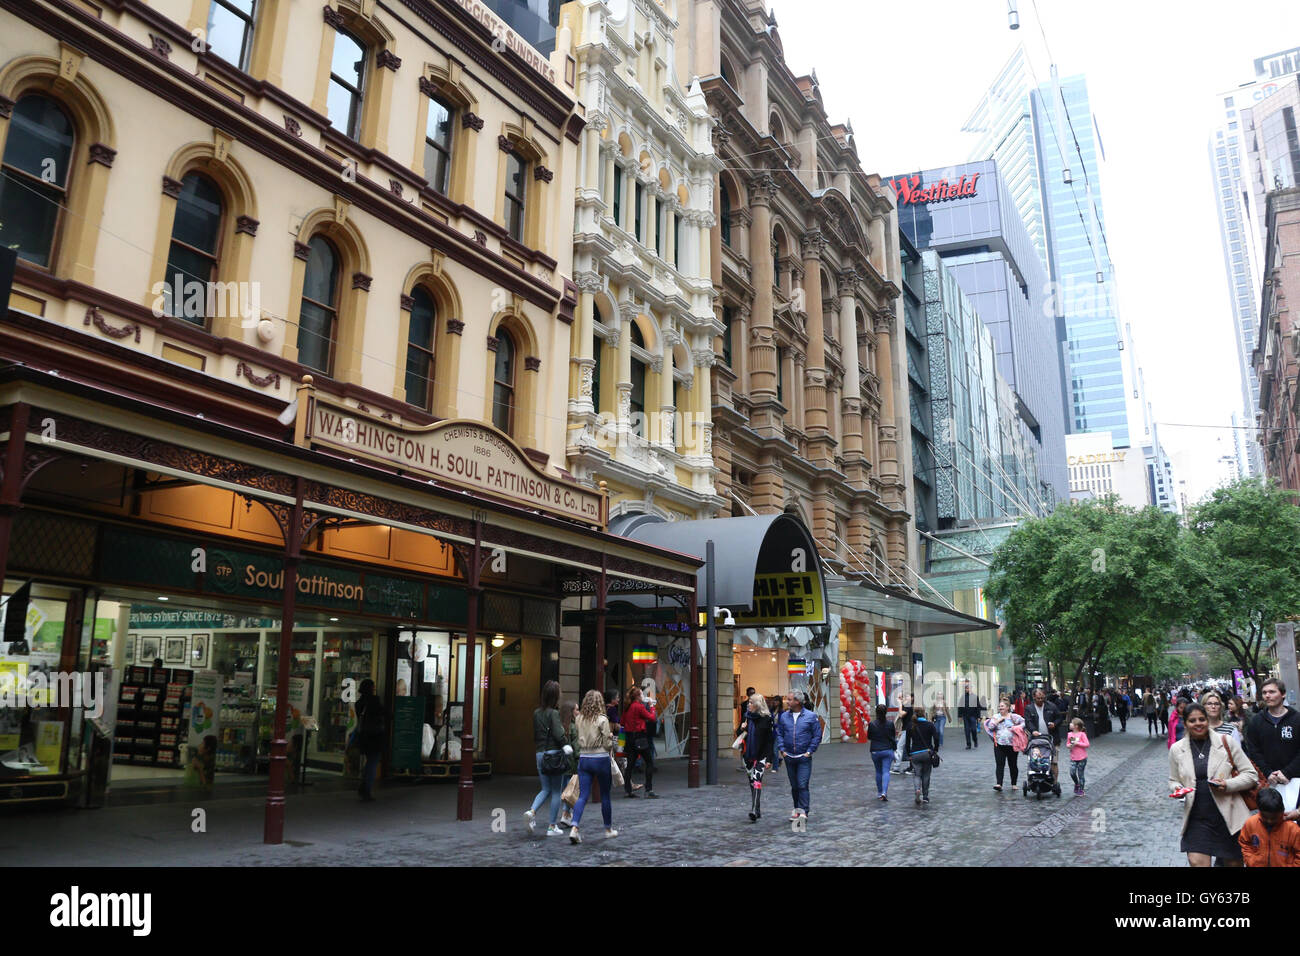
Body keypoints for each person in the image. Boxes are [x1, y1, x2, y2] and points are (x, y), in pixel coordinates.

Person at [1169, 703, 1257, 867]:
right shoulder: (1176, 749)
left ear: (1207, 720)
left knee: (1233, 863)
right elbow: (1173, 780)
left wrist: (1228, 784)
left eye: (1201, 719)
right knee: (1196, 862)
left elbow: (1251, 775)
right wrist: (1177, 789)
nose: (1198, 723)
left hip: (1229, 815)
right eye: (1192, 720)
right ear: (1185, 723)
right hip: (1197, 816)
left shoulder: (1226, 742)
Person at [568, 689, 618, 844]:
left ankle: (574, 827)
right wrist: (611, 738)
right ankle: (608, 829)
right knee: (605, 795)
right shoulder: (602, 719)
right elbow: (607, 744)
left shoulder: (579, 719)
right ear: (600, 703)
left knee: (582, 795)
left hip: (584, 758)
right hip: (600, 758)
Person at [525, 680, 570, 836]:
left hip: (540, 753)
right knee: (556, 791)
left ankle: (531, 811)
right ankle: (552, 827)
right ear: (556, 696)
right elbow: (558, 734)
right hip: (554, 755)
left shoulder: (536, 713)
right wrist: (566, 745)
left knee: (545, 788)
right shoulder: (554, 713)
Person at [1243, 678, 1300, 790]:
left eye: (1272, 692)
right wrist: (1267, 772)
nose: (1267, 696)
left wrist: (1287, 772)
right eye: (1264, 693)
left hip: (1296, 780)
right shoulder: (1256, 721)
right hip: (1268, 782)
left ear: (1283, 694)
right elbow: (1254, 751)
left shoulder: (1297, 719)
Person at [776, 689, 821, 821]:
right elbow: (780, 734)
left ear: (797, 701)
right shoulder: (784, 716)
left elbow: (817, 735)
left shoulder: (810, 716)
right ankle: (797, 809)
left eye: (789, 699)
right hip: (789, 756)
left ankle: (803, 811)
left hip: (803, 757)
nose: (787, 702)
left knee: (802, 784)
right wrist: (782, 750)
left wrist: (809, 751)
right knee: (794, 786)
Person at [1238, 787, 1300, 867]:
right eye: (1265, 817)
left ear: (1282, 811)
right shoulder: (1251, 824)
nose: (1269, 821)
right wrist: (1251, 861)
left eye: (1274, 818)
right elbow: (1244, 843)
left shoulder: (1293, 830)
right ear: (1259, 811)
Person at [740, 692, 774, 821]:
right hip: (748, 754)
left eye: (750, 702)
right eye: (748, 702)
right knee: (752, 783)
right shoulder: (747, 717)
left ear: (757, 705)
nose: (748, 705)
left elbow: (770, 741)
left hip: (761, 755)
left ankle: (754, 810)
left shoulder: (766, 719)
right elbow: (740, 733)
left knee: (756, 781)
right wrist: (742, 728)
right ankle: (757, 809)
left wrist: (769, 759)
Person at [621, 686, 658, 798]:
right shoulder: (639, 706)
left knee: (630, 765)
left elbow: (622, 722)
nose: (643, 696)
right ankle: (649, 789)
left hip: (629, 738)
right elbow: (652, 718)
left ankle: (628, 790)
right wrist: (651, 706)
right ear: (637, 696)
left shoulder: (627, 707)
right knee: (649, 762)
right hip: (640, 738)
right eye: (641, 694)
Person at [984, 698, 1025, 792]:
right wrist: (999, 720)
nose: (1000, 708)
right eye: (999, 706)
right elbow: (990, 726)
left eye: (1002, 706)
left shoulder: (1014, 717)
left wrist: (1016, 727)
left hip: (1012, 744)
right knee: (1000, 764)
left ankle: (1014, 784)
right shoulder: (995, 716)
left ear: (1007, 707)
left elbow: (1024, 722)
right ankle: (999, 783)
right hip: (999, 744)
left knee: (1013, 765)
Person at [1023, 688, 1064, 782]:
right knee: (1034, 760)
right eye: (1038, 698)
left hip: (1052, 738)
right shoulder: (1029, 708)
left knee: (1053, 762)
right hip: (1036, 740)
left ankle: (1054, 782)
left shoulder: (1051, 706)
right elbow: (1028, 722)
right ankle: (1033, 779)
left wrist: (1055, 724)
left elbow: (1059, 718)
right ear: (1034, 697)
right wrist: (1033, 731)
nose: (1041, 700)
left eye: (1042, 698)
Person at [355, 678, 385, 802]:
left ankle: (363, 786)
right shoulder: (374, 700)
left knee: (369, 761)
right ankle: (366, 789)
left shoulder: (358, 703)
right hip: (375, 735)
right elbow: (383, 713)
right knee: (373, 762)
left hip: (364, 735)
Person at [907, 705, 940, 804]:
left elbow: (907, 742)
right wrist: (935, 749)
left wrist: (909, 753)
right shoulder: (930, 725)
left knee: (917, 774)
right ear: (924, 713)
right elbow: (936, 738)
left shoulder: (910, 726)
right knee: (926, 775)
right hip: (927, 753)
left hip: (915, 754)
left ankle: (917, 789)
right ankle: (925, 796)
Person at [867, 704, 896, 801]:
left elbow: (869, 737)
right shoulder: (890, 724)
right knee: (886, 771)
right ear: (886, 712)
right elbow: (893, 738)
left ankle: (879, 793)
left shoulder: (872, 724)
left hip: (875, 750)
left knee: (878, 771)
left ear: (876, 713)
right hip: (887, 750)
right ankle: (884, 792)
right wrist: (894, 750)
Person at [558, 699, 580, 827]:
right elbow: (576, 747)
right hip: (571, 764)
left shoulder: (561, 726)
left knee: (564, 788)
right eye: (576, 709)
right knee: (570, 790)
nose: (578, 712)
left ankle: (566, 813)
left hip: (561, 763)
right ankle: (566, 814)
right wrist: (579, 759)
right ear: (571, 712)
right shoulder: (573, 727)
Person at [1066, 718, 1091, 796]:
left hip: (1082, 758)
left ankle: (1081, 789)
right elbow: (1067, 744)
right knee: (1072, 773)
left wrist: (1077, 743)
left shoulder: (1082, 734)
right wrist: (1069, 746)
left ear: (1076, 726)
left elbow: (1087, 744)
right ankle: (1076, 784)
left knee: (1081, 774)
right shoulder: (1069, 734)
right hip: (1073, 757)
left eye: (1071, 723)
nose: (1070, 724)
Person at [958, 680, 985, 749]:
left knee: (973, 729)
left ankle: (975, 740)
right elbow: (960, 706)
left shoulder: (975, 697)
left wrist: (979, 717)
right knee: (967, 730)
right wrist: (960, 716)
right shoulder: (963, 697)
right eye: (966, 688)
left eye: (968, 688)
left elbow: (978, 707)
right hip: (965, 716)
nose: (967, 689)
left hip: (973, 716)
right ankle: (968, 744)